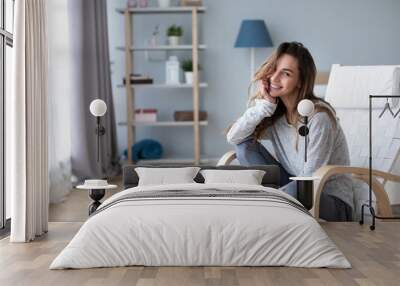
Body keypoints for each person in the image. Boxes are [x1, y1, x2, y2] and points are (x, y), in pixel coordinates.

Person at [226, 42, 353, 221]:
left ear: (300, 81)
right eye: (274, 69)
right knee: (245, 146)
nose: (274, 78)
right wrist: (265, 106)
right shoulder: (275, 115)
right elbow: (235, 137)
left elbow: (310, 178)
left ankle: (262, 205)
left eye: (286, 73)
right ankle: (266, 204)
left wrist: (275, 197)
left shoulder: (319, 117)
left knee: (297, 188)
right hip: (293, 190)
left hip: (330, 201)